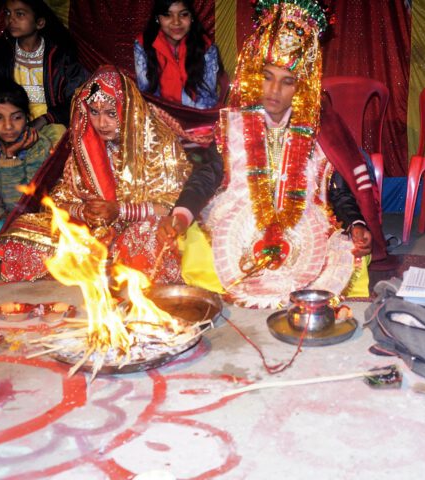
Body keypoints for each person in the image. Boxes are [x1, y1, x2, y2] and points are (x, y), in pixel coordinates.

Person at [156, 0, 388, 308]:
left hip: (305, 224)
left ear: (302, 86)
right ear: (254, 74)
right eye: (267, 76)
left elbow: (340, 194)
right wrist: (181, 215)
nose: (274, 90)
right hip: (239, 221)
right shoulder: (235, 124)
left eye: (287, 81)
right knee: (195, 241)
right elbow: (207, 174)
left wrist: (356, 225)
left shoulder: (322, 129)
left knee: (349, 252)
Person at [0, 66, 198, 282]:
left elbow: (174, 205)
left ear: (128, 109)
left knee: (151, 239)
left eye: (111, 113)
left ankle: (105, 265)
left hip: (139, 228)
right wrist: (83, 211)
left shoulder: (158, 142)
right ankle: (102, 263)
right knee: (21, 232)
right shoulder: (85, 142)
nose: (101, 123)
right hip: (94, 234)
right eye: (94, 112)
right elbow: (56, 201)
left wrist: (121, 211)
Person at [0, 0, 87, 129]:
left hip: (52, 123)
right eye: (7, 13)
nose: (11, 19)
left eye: (19, 14)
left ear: (39, 23)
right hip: (9, 125)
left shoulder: (61, 56)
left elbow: (78, 98)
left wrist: (45, 119)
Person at [0, 78, 65, 228]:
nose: (8, 126)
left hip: (29, 220)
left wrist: (10, 157)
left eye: (17, 117)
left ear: (27, 117)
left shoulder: (39, 146)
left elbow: (22, 205)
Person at [134, 0, 220, 109]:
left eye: (183, 14)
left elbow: (207, 98)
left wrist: (186, 119)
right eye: (167, 15)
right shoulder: (143, 45)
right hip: (158, 118)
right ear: (157, 18)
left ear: (191, 17)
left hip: (197, 116)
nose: (176, 22)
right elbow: (146, 96)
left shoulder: (206, 47)